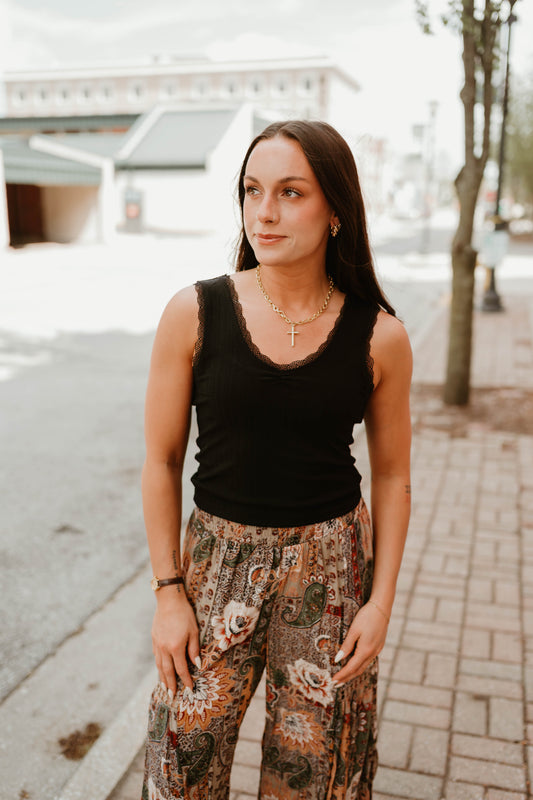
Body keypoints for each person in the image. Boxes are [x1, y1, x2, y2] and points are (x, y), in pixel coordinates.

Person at [141, 119, 412, 800]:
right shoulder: (195, 312)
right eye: (252, 190)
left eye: (291, 192)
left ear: (336, 212)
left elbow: (393, 474)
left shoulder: (379, 336)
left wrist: (379, 604)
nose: (264, 212)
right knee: (183, 765)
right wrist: (169, 592)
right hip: (214, 570)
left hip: (331, 570)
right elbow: (160, 460)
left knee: (317, 773)